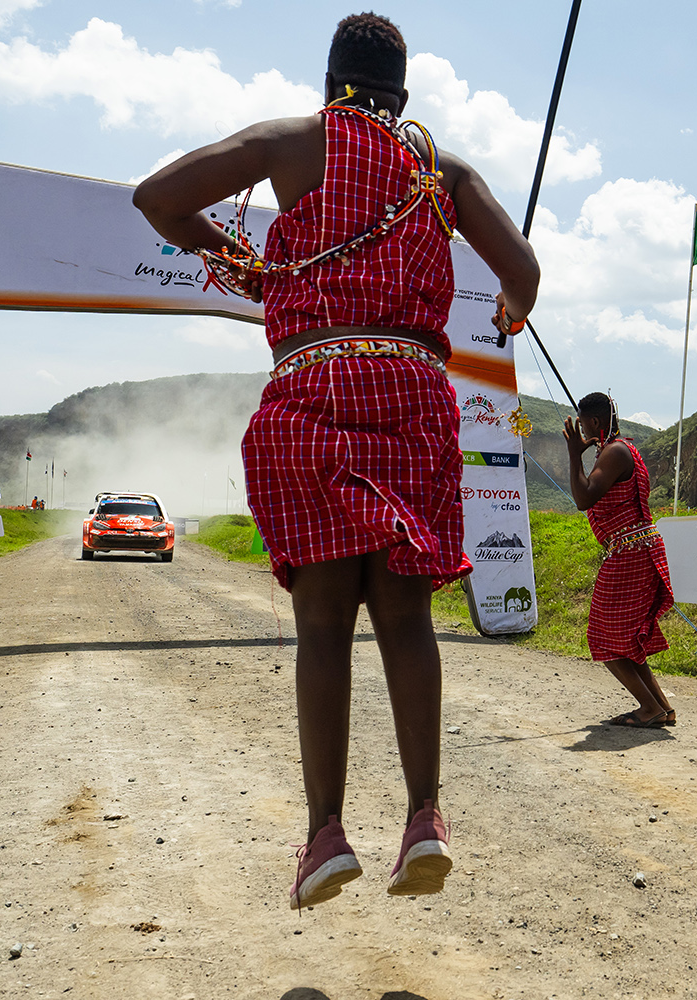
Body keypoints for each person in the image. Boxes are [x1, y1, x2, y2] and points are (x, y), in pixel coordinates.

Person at [133, 13, 539, 908]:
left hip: (313, 384)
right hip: (412, 392)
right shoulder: (442, 171)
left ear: (330, 83)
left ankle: (325, 837)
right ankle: (425, 818)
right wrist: (509, 311)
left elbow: (157, 198)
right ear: (404, 93)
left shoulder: (291, 142)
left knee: (322, 625)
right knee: (405, 617)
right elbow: (524, 271)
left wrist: (236, 256)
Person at [564, 392, 676, 727]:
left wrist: (574, 456)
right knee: (625, 638)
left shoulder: (614, 452)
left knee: (603, 635)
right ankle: (661, 708)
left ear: (594, 422)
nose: (582, 430)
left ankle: (649, 708)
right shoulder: (621, 449)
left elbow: (583, 498)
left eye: (583, 424)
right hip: (637, 549)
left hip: (630, 552)